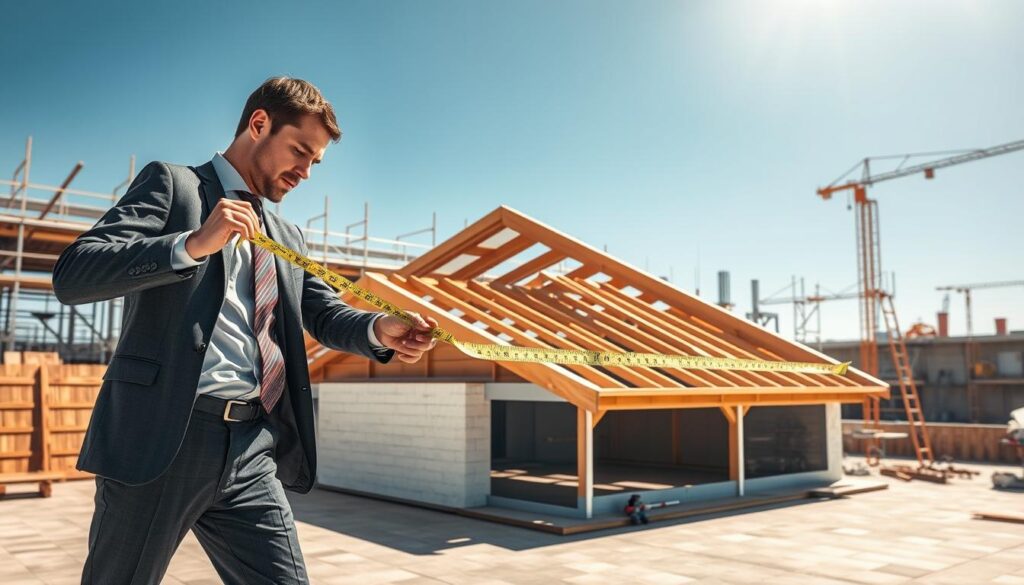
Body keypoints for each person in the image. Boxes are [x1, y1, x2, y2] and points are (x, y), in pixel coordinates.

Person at [52, 77, 438, 585]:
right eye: (299, 151)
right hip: (164, 437)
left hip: (253, 445)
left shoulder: (285, 235)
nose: (304, 172)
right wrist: (191, 244)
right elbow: (75, 272)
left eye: (314, 163)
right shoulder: (175, 186)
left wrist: (378, 329)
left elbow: (320, 312)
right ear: (259, 124)